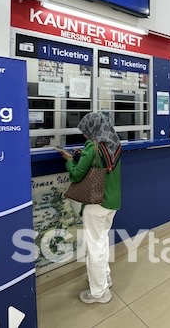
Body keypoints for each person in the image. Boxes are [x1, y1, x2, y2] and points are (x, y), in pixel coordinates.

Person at [58, 112, 122, 304]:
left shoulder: (92, 147)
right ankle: (104, 278)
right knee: (101, 242)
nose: (85, 135)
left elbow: (77, 175)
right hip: (112, 203)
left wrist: (69, 159)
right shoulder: (114, 143)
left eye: (86, 131)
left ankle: (99, 293)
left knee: (94, 248)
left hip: (96, 204)